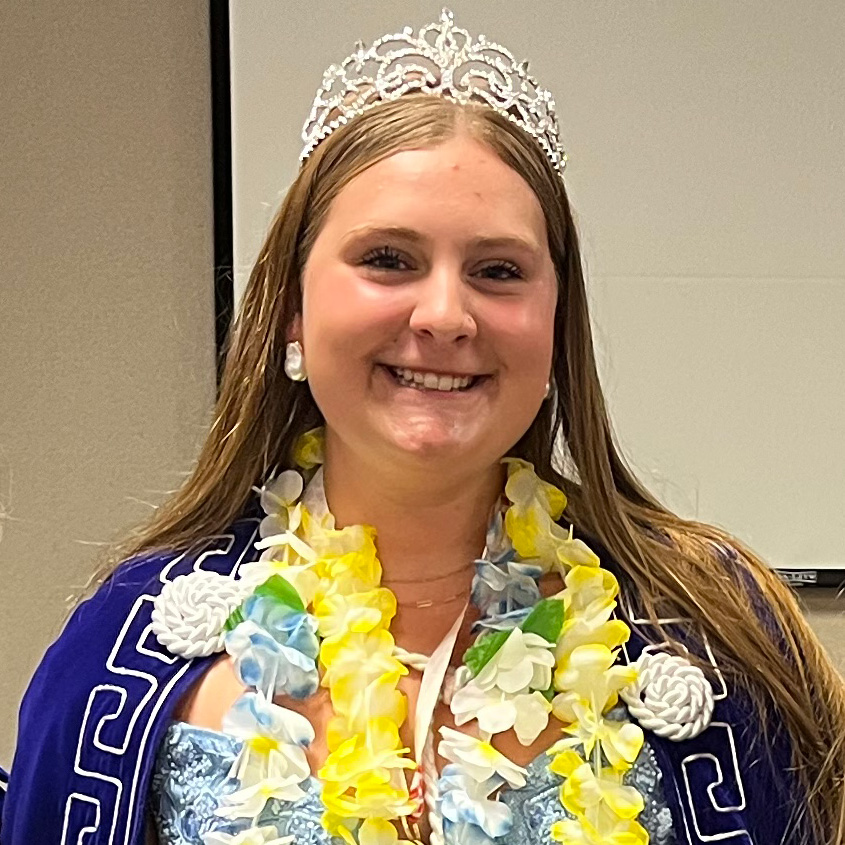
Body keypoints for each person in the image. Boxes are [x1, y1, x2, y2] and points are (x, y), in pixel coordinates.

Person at [2, 9, 844, 845]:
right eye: (388, 260)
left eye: (497, 270)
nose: (444, 314)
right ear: (291, 310)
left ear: (555, 325)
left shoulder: (714, 627)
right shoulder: (124, 648)